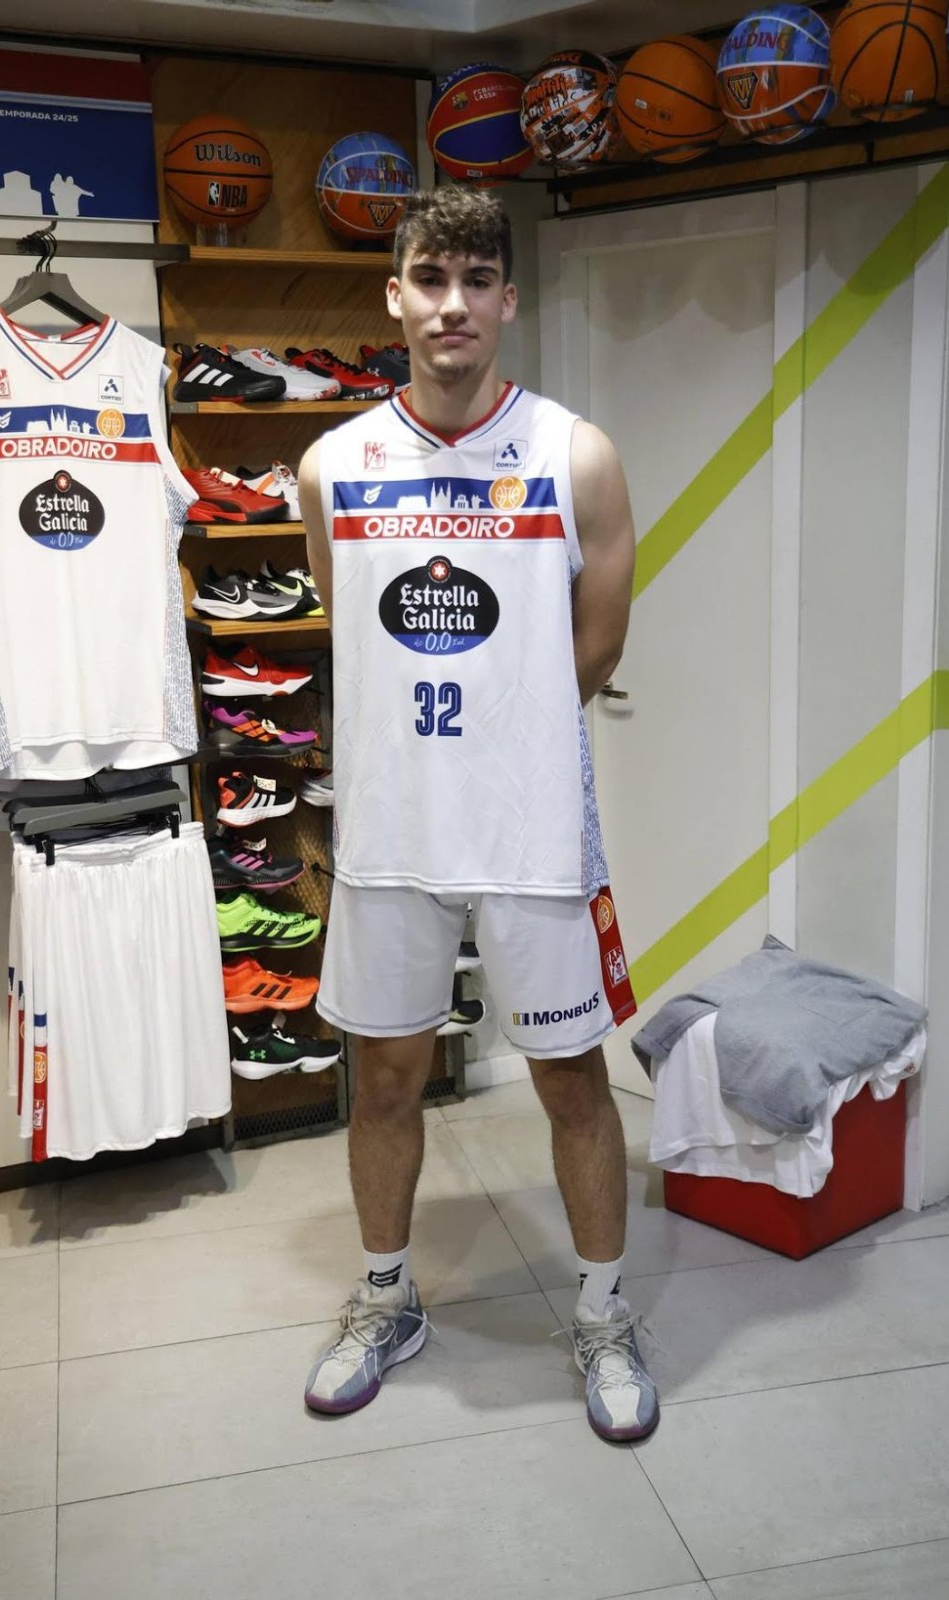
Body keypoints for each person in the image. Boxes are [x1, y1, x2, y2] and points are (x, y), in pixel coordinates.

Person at [297, 186, 658, 1443]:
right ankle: (387, 1296)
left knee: (571, 1080)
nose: (451, 305)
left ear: (508, 297)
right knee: (384, 1081)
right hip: (389, 830)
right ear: (393, 296)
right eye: (428, 279)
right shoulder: (332, 466)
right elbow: (353, 630)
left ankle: (604, 1313)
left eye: (474, 281)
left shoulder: (574, 453)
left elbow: (595, 647)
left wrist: (502, 739)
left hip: (530, 831)